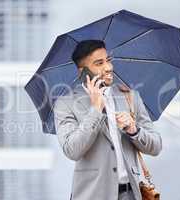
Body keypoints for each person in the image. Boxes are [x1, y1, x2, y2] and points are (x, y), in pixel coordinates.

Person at [53, 40, 162, 200]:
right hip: (91, 195)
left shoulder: (129, 96)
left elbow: (156, 146)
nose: (108, 67)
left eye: (108, 60)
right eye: (99, 63)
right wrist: (96, 109)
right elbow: (72, 150)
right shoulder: (65, 103)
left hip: (131, 194)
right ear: (82, 72)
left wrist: (134, 130)